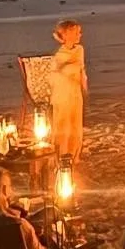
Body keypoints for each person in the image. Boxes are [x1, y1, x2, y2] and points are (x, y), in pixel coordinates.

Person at [49, 18, 88, 160]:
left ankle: (73, 153)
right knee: (63, 125)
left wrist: (84, 86)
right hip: (63, 94)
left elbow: (81, 70)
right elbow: (54, 77)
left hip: (75, 93)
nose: (80, 35)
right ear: (66, 35)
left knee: (75, 124)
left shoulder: (80, 50)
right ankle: (61, 153)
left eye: (79, 32)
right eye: (76, 32)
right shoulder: (59, 56)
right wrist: (67, 70)